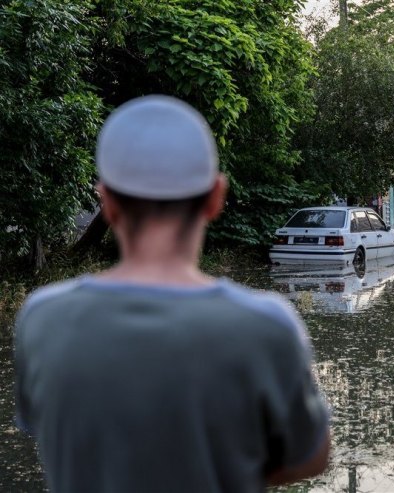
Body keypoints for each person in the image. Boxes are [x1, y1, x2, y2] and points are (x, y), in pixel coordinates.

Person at [14, 95, 330, 492]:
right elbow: (311, 456)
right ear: (216, 198)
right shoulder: (266, 325)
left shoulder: (42, 319)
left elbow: (48, 434)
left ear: (107, 204)